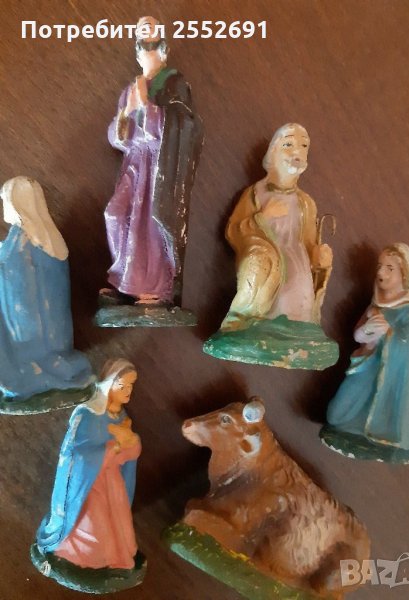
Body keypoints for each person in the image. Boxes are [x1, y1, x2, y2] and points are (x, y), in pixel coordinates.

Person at [103, 16, 203, 306]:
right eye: (142, 46)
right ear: (137, 53)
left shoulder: (175, 83)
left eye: (153, 44)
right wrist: (127, 112)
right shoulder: (130, 90)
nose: (147, 52)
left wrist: (147, 106)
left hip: (160, 164)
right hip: (135, 163)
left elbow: (185, 126)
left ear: (163, 50)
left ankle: (155, 288)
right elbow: (117, 138)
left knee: (151, 223)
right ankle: (124, 279)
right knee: (116, 213)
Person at [34, 359, 144, 589]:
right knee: (94, 527)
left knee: (118, 527)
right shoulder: (88, 415)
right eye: (122, 385)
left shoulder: (121, 417)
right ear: (109, 385)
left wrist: (132, 443)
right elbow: (77, 457)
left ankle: (115, 561)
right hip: (87, 488)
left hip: (112, 484)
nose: (128, 391)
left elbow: (130, 453)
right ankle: (74, 557)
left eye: (131, 385)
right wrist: (115, 447)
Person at [323, 243, 409, 462]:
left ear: (404, 274)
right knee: (335, 416)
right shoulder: (377, 304)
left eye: (390, 268)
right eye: (380, 266)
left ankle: (384, 432)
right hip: (365, 367)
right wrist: (367, 331)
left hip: (393, 378)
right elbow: (358, 336)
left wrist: (387, 333)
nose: (381, 272)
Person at [223, 123, 333, 330]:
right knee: (272, 311)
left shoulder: (306, 203)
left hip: (299, 266)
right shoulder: (256, 194)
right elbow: (234, 232)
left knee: (297, 311)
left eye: (303, 146)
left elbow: (309, 243)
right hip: (267, 266)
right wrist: (262, 217)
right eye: (288, 144)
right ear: (273, 152)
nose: (297, 152)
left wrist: (319, 260)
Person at [0, 176, 93, 405]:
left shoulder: (24, 239)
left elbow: (15, 272)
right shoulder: (43, 237)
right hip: (46, 327)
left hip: (29, 324)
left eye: (5, 200)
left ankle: (35, 375)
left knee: (27, 361)